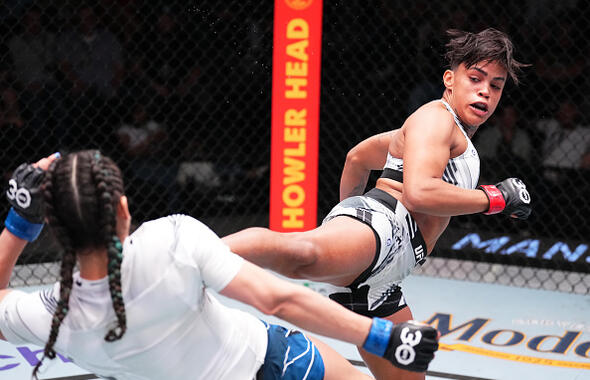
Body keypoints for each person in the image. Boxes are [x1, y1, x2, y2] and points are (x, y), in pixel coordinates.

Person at [222, 28, 532, 380]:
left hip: (386, 278)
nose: (485, 92)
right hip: (384, 229)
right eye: (475, 78)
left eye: (496, 85)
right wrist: (492, 199)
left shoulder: (448, 133)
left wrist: (345, 221)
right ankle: (193, 251)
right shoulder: (435, 119)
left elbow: (357, 158)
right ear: (450, 79)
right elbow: (418, 193)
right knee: (301, 254)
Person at [0, 150, 439, 380]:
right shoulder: (171, 238)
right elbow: (277, 299)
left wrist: (20, 221)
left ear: (55, 229)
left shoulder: (48, 313)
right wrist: (381, 335)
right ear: (122, 208)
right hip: (275, 364)